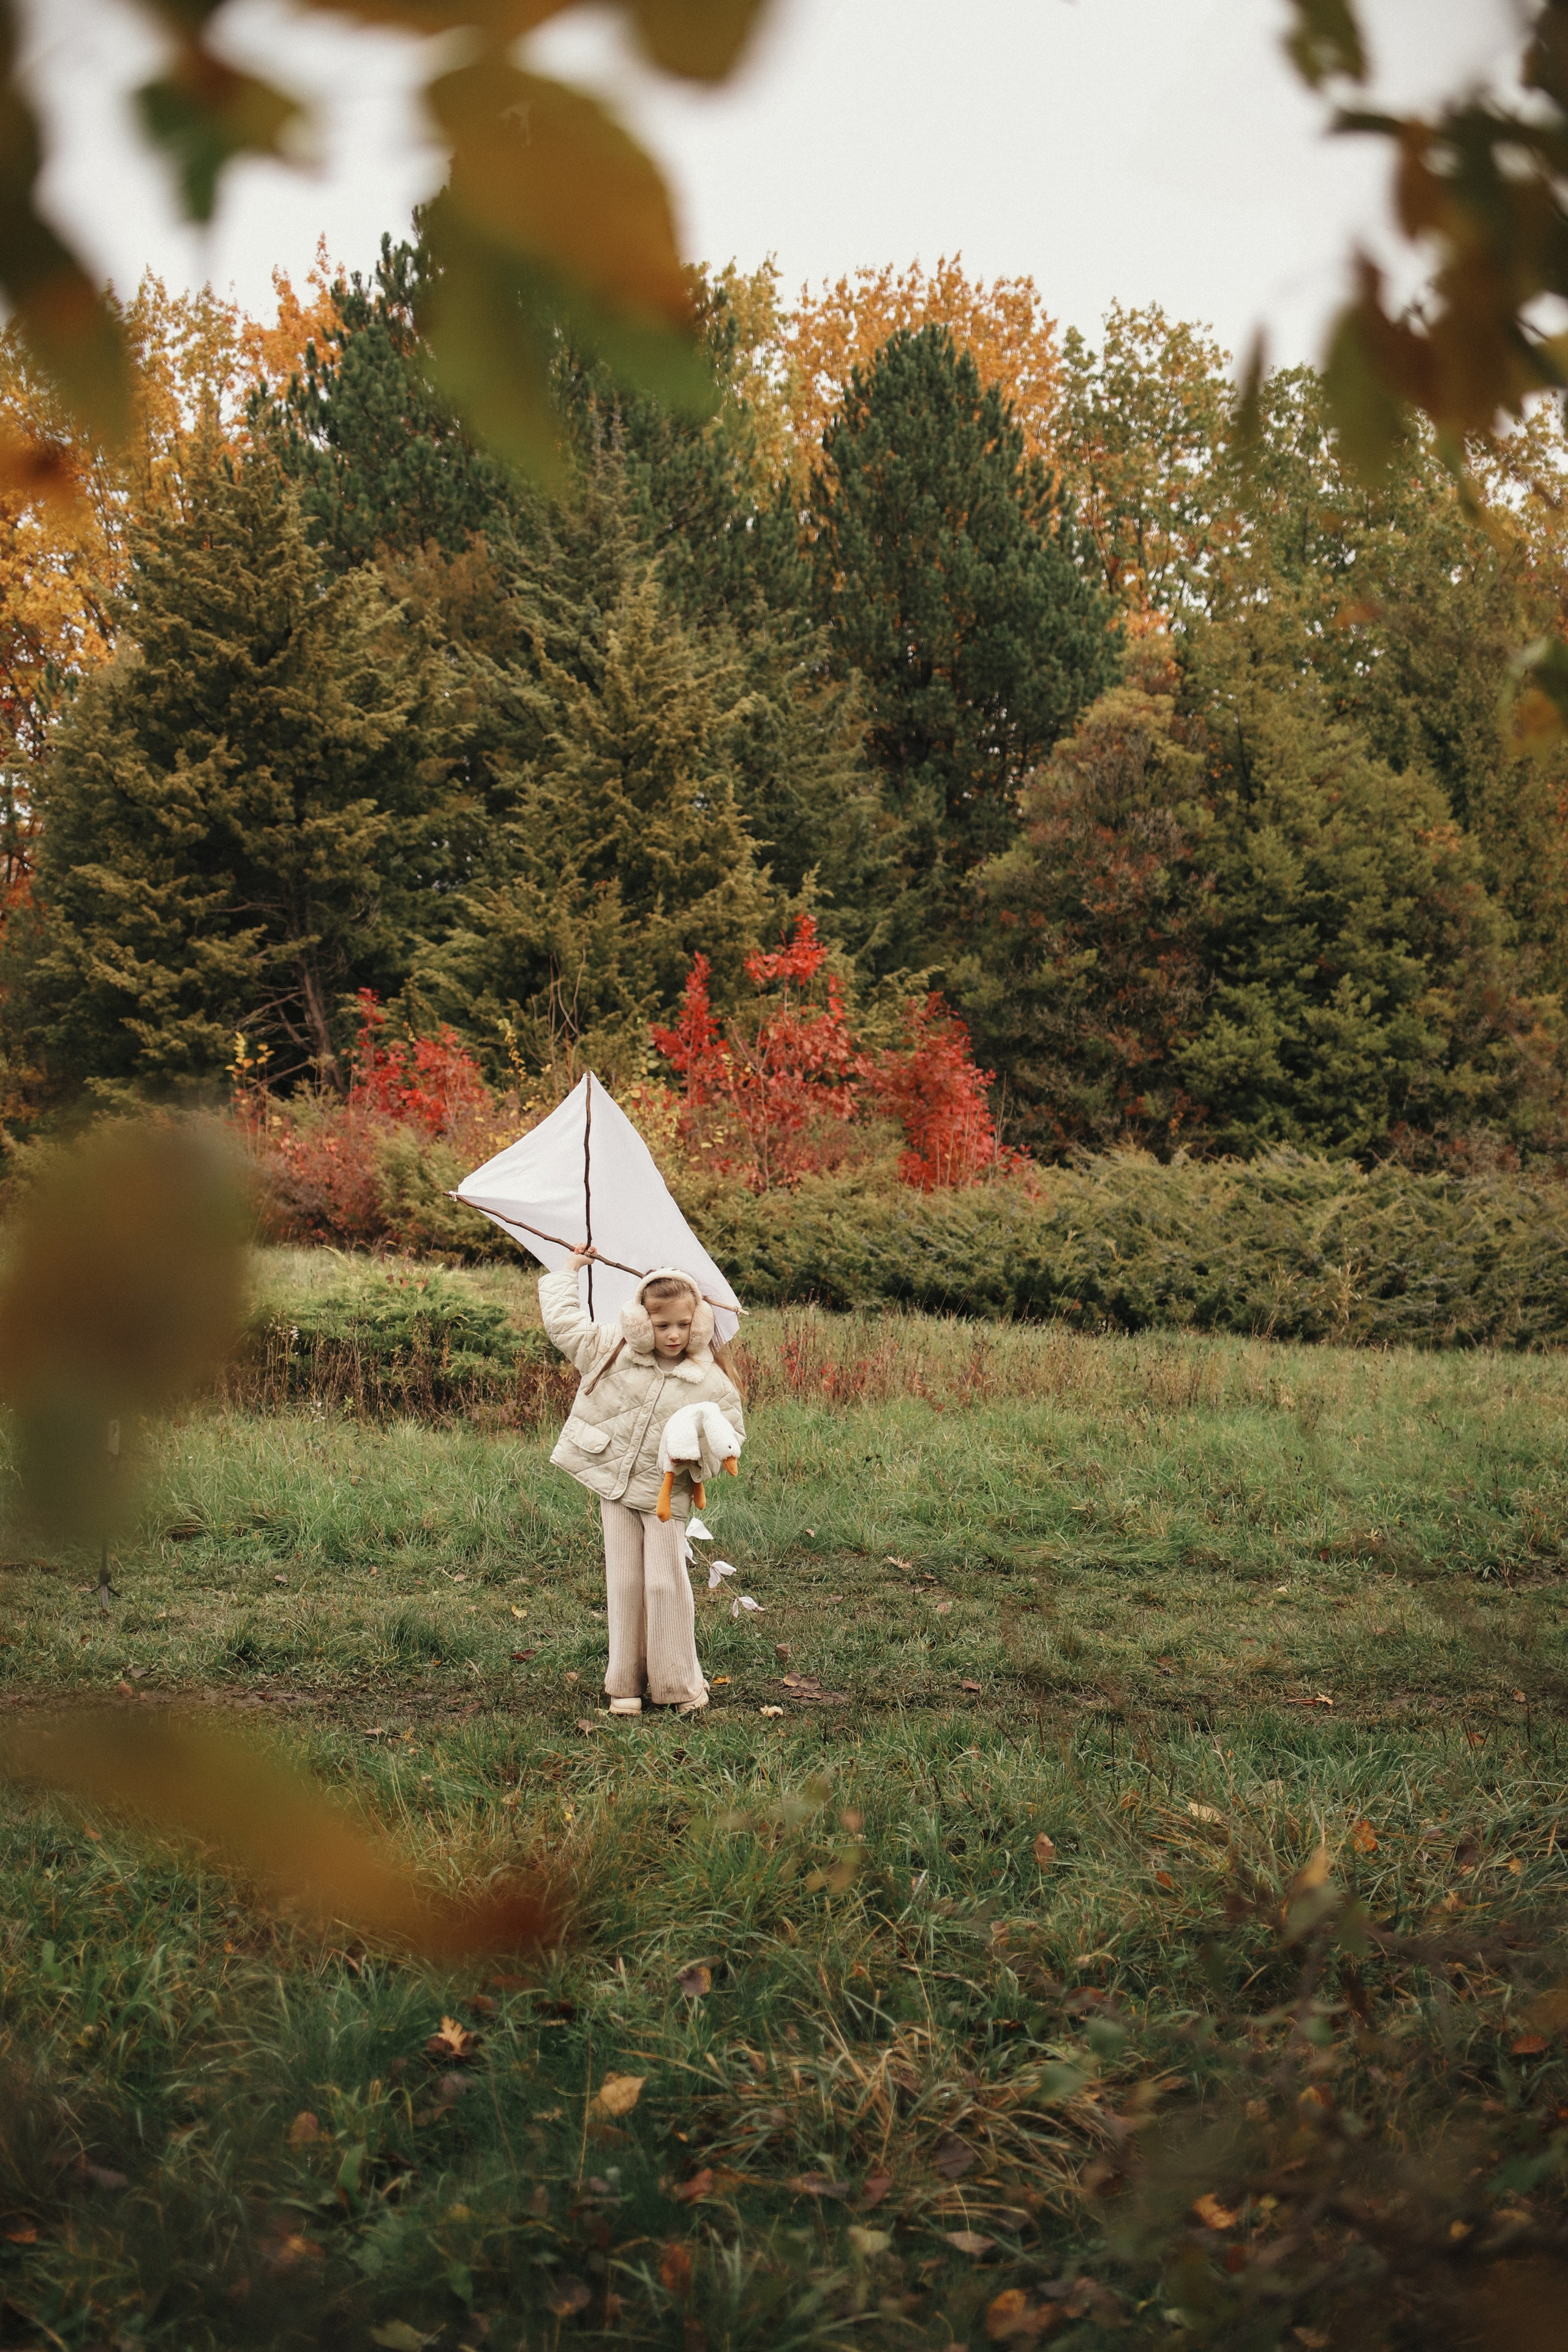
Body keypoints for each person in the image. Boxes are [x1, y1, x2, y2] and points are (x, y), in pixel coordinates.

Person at [538, 1247, 745, 1716]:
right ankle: (624, 1687)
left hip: (666, 1496)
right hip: (613, 1482)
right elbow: (564, 1324)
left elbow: (731, 1437)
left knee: (664, 1583)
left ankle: (678, 1685)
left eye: (683, 1324)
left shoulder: (709, 1380)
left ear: (700, 1323)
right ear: (639, 1321)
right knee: (626, 1582)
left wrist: (696, 1457)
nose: (673, 1334)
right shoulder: (612, 1348)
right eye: (661, 1324)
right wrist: (567, 1272)